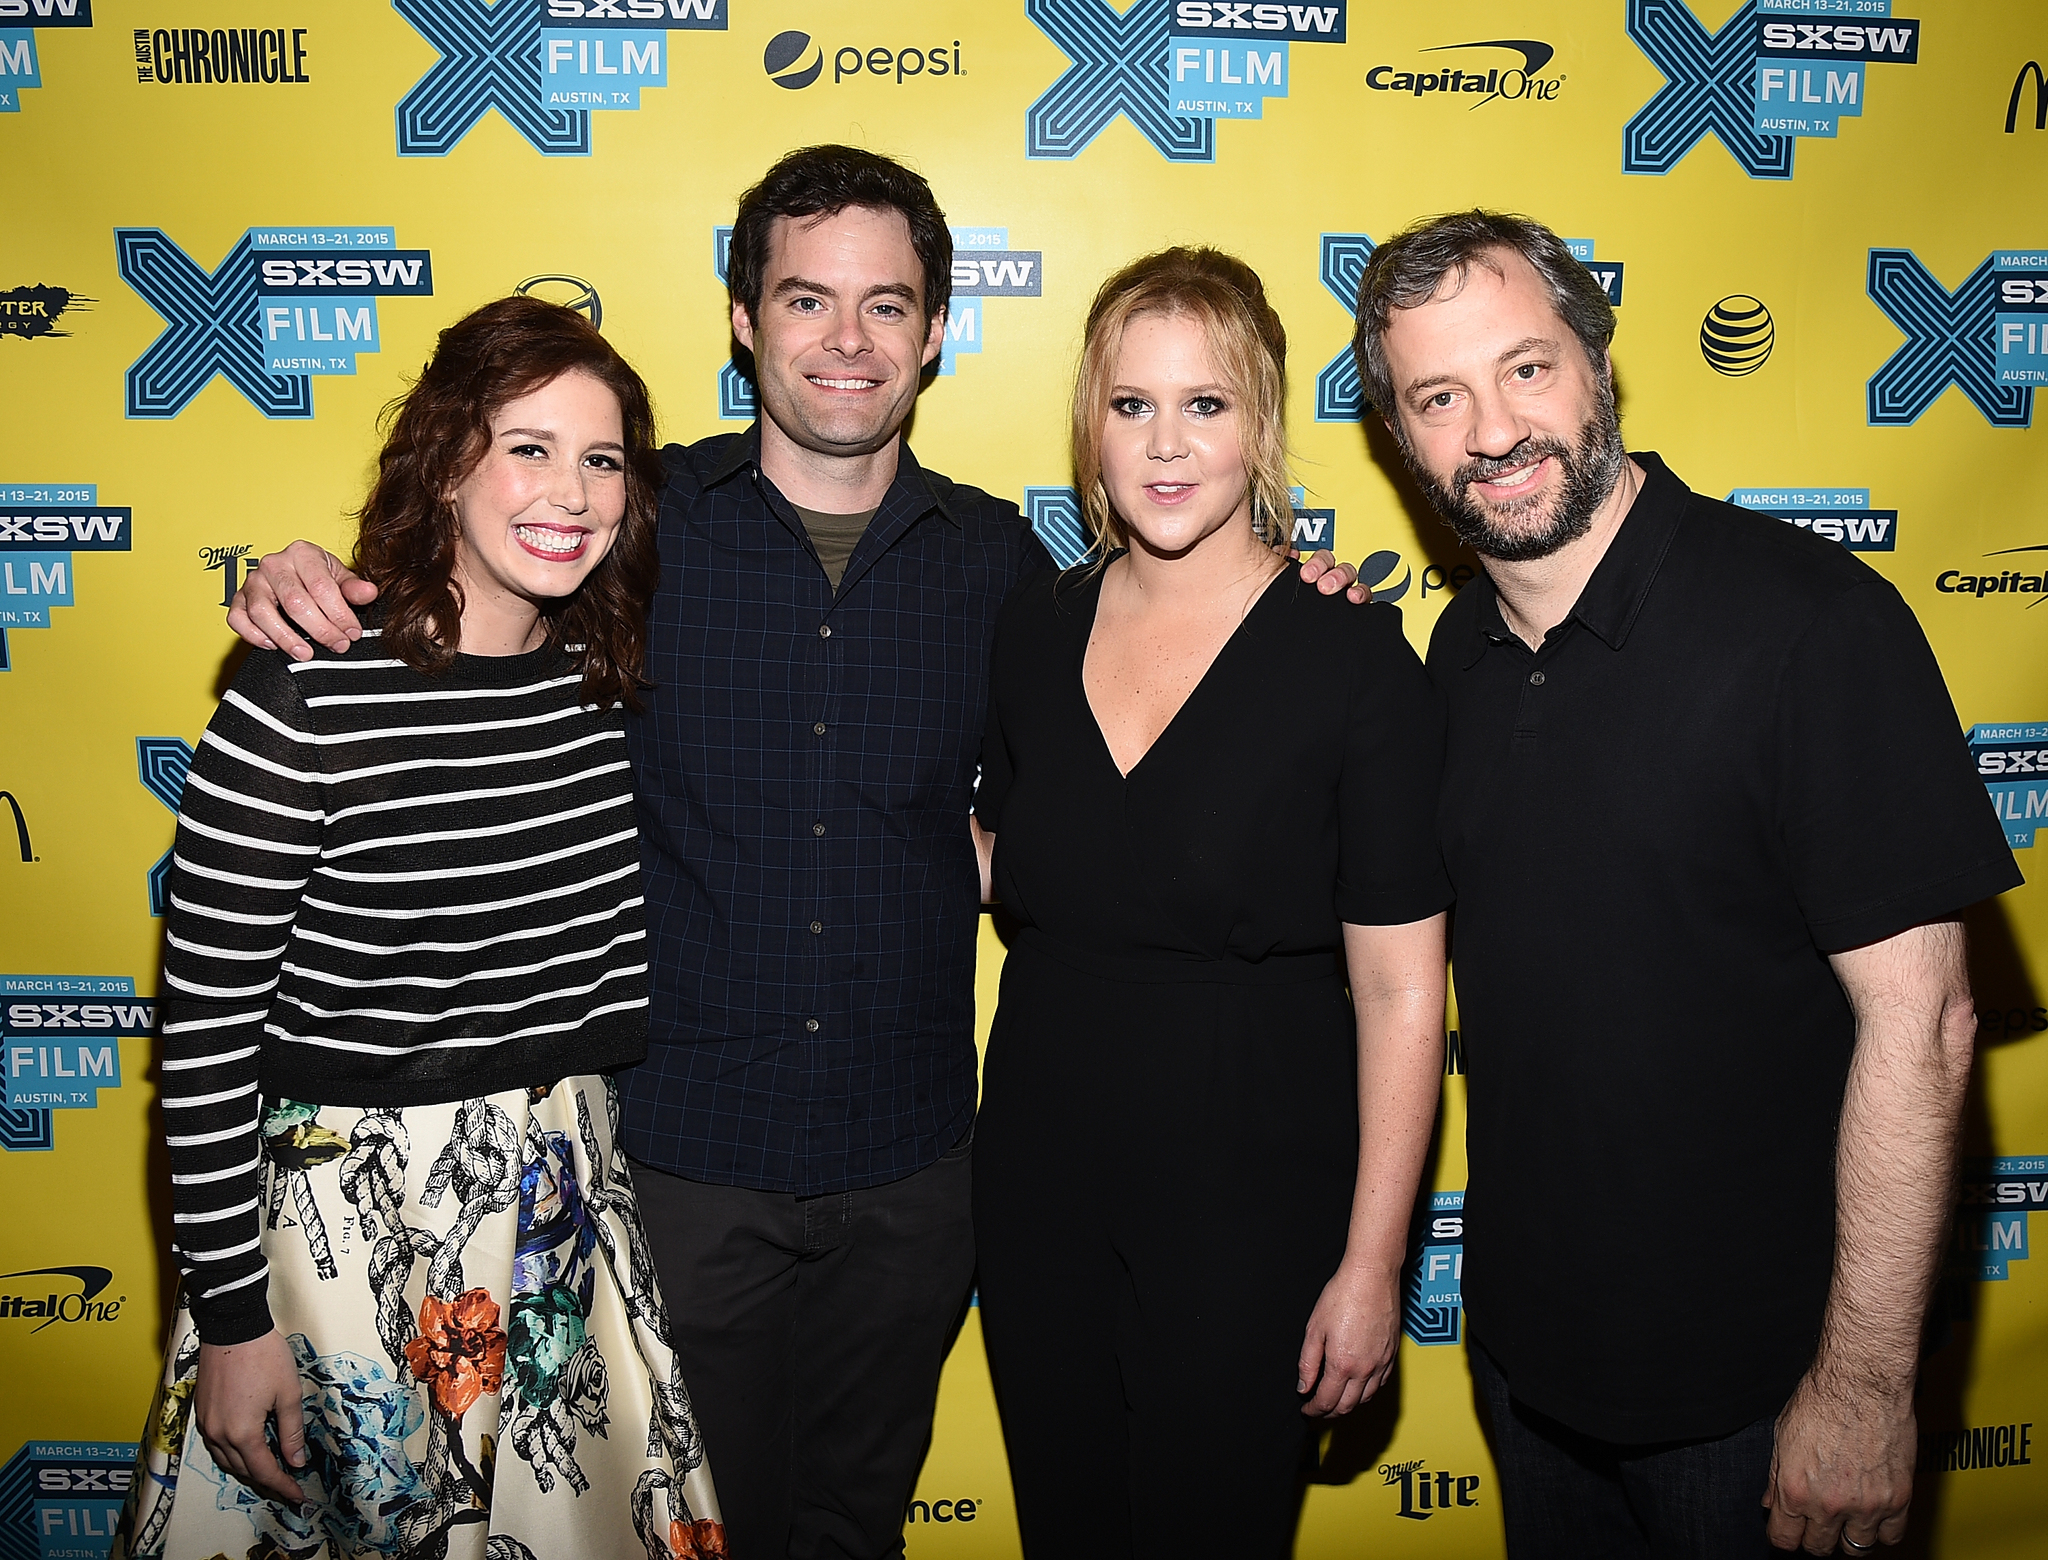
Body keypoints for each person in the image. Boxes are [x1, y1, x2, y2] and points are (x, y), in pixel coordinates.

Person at [223, 147, 1366, 1560]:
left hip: (916, 1172)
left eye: (887, 306)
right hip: (680, 1169)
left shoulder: (1005, 572)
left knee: (853, 1534)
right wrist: (301, 577)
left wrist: (1291, 588)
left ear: (937, 330)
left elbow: (1124, 741)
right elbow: (467, 593)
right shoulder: (629, 532)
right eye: (806, 299)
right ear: (743, 320)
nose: (846, 341)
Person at [1349, 210, 2023, 1557]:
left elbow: (1928, 1026)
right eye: (1440, 396)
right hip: (1531, 1374)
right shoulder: (1456, 657)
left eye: (1526, 368)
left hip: (1768, 1399)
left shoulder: (1813, 627)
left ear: (1598, 366)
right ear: (1400, 435)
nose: (1493, 430)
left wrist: (1865, 1390)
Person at [114, 296, 723, 1560]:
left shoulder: (596, 682)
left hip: (561, 1210)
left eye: (600, 459)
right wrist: (230, 1319)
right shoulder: (303, 686)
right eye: (527, 447)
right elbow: (207, 1031)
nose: (569, 490)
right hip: (343, 1242)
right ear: (449, 461)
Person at [970, 248, 1452, 1559]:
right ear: (1091, 424)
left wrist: (1373, 1266)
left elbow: (1406, 988)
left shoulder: (1353, 659)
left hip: (1255, 1188)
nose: (1167, 445)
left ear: (1264, 425)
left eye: (1207, 404)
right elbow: (1006, 864)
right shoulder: (1030, 628)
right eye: (1133, 406)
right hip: (1038, 1182)